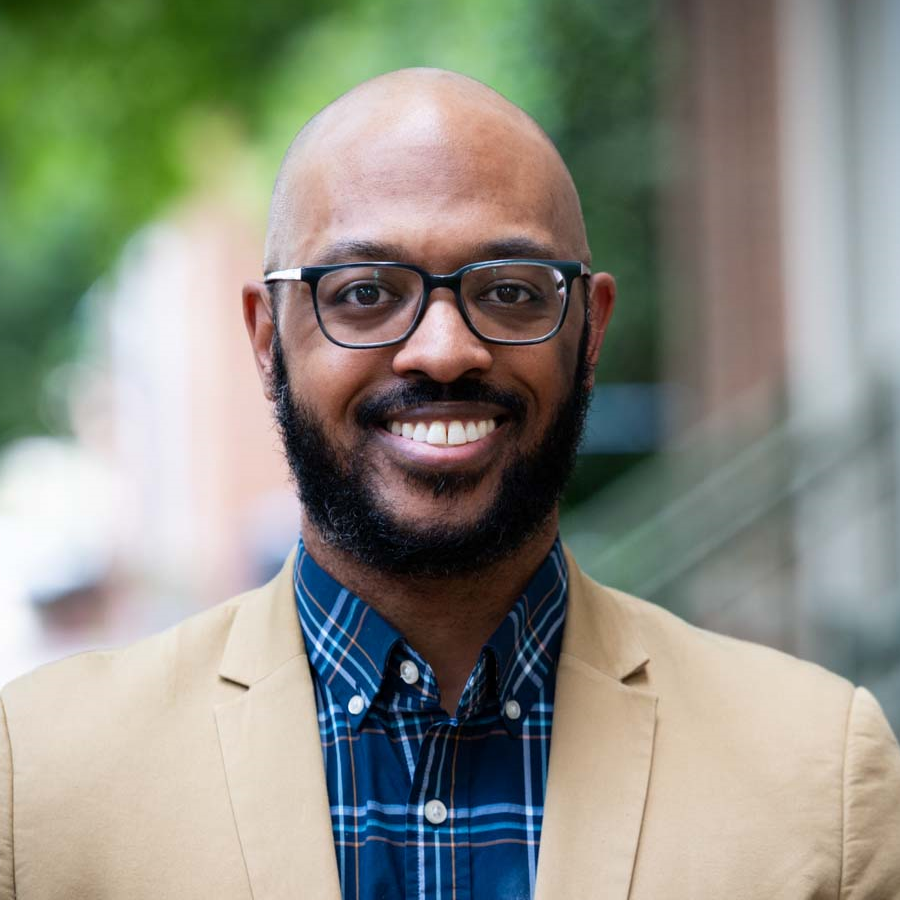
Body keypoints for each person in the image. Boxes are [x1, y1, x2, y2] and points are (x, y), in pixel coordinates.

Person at [1, 68, 899, 900]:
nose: (442, 350)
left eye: (510, 291)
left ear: (589, 333)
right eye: (363, 293)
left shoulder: (821, 773)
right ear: (267, 338)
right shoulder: (41, 775)